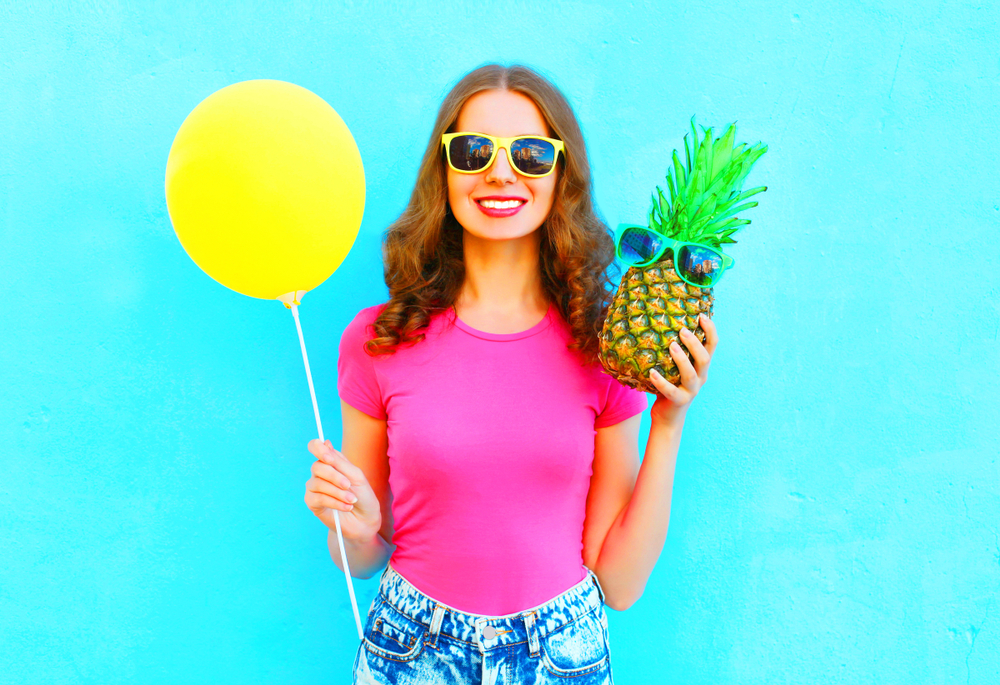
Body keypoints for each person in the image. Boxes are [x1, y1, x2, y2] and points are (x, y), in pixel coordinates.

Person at [304, 63, 718, 685]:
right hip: (411, 650)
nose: (501, 172)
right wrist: (355, 526)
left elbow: (621, 583)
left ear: (560, 174)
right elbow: (360, 556)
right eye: (473, 152)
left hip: (560, 652)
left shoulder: (602, 347)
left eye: (529, 153)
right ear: (443, 171)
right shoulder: (377, 340)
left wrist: (669, 421)